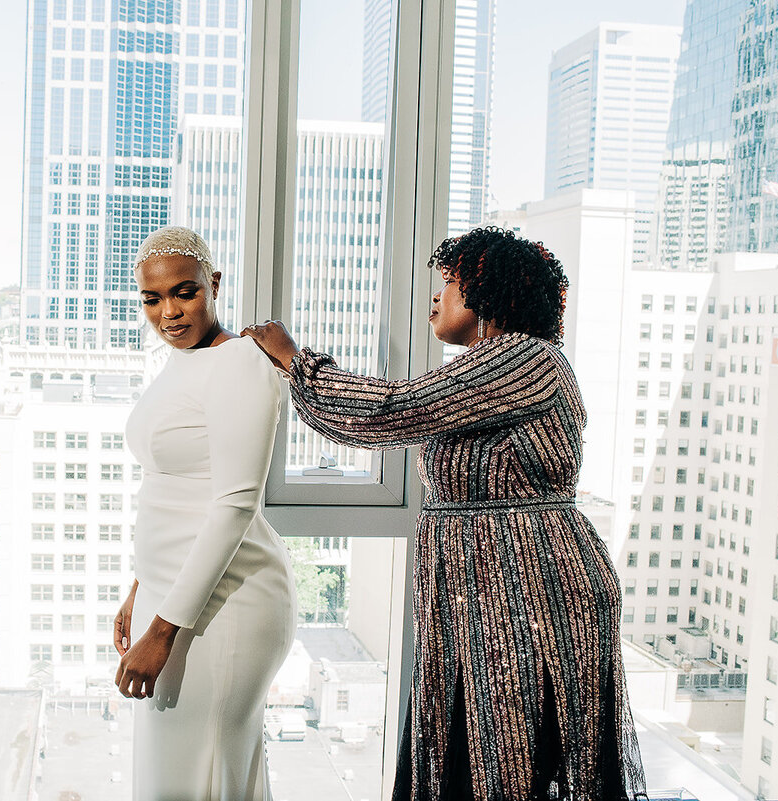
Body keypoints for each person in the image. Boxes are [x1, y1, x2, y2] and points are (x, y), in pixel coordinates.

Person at [243, 226, 646, 801]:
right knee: (477, 754)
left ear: (491, 295)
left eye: (451, 284)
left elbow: (392, 410)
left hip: (532, 587)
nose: (436, 297)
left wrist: (293, 360)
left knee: (510, 760)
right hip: (483, 586)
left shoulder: (525, 360)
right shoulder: (496, 367)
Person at [115, 225, 297, 800]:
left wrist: (163, 629)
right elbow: (175, 491)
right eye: (152, 298)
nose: (168, 312)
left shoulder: (239, 362)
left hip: (229, 605)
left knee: (200, 777)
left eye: (185, 292)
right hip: (170, 594)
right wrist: (140, 589)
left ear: (214, 285)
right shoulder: (179, 363)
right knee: (183, 775)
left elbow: (235, 503)